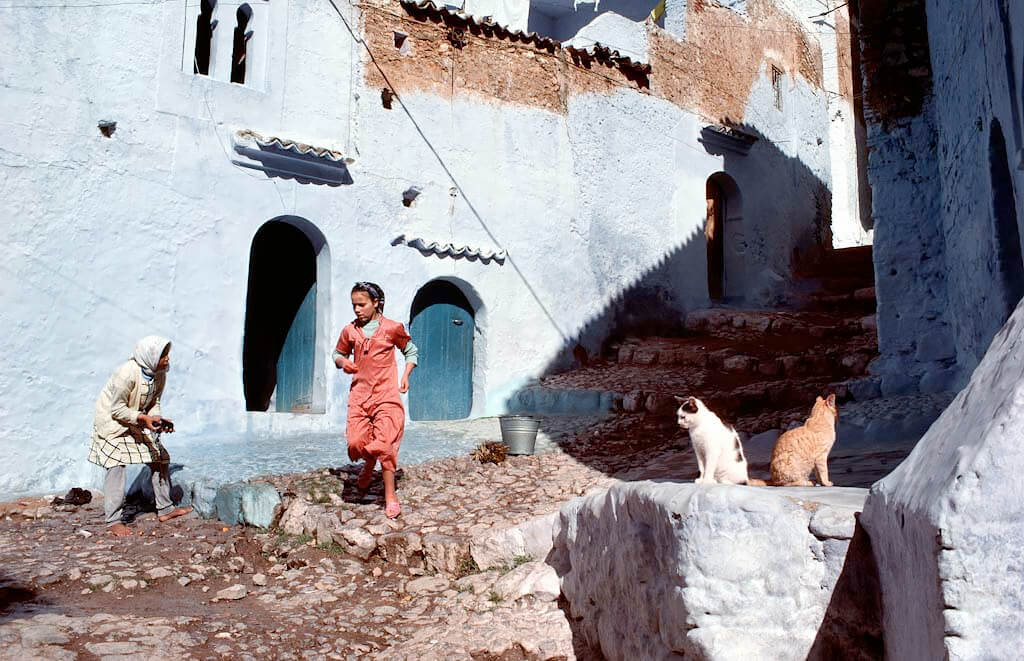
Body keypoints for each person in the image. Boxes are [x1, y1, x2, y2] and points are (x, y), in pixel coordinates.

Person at [88, 336, 192, 536]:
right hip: (112, 422)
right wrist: (143, 419)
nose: (168, 359)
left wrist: (157, 419)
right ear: (151, 356)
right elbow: (116, 409)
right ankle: (113, 520)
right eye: (163, 355)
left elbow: (155, 401)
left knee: (160, 457)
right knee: (116, 464)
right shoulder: (126, 374)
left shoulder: (159, 373)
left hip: (136, 418)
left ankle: (165, 509)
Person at [334, 282, 418, 519]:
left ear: (376, 303)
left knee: (385, 444)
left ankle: (390, 495)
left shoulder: (392, 328)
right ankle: (368, 465)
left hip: (386, 395)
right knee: (355, 443)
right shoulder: (350, 331)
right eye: (354, 305)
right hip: (359, 396)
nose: (357, 310)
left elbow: (410, 350)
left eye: (361, 304)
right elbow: (338, 354)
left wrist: (405, 375)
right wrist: (343, 363)